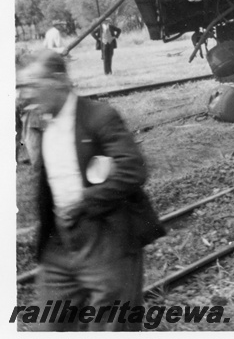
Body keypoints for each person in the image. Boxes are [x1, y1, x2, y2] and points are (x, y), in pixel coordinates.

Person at [17, 50, 165, 331]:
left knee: (111, 326)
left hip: (106, 237)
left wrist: (84, 200)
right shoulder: (43, 123)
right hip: (60, 244)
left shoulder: (99, 116)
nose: (26, 94)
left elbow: (133, 170)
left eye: (33, 84)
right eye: (21, 87)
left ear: (60, 80)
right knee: (48, 326)